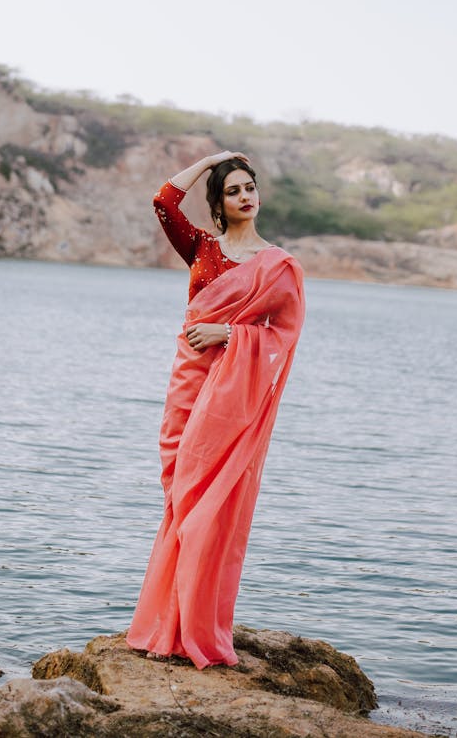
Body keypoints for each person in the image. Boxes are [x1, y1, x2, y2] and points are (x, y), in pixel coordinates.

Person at [126, 151, 305, 669]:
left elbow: (284, 336)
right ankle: (166, 623)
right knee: (179, 497)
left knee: (209, 503)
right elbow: (163, 201)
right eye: (234, 189)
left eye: (250, 187)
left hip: (229, 396)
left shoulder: (277, 265)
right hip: (188, 383)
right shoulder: (202, 246)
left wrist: (230, 333)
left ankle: (196, 627)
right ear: (219, 203)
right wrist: (212, 160)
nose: (246, 196)